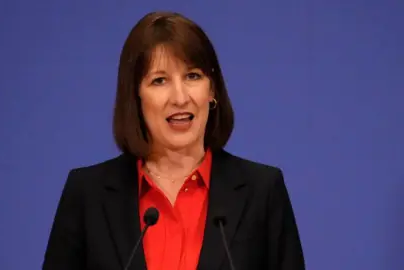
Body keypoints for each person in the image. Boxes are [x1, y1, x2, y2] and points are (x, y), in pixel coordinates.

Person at [42, 11, 305, 270]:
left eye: (193, 76)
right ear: (136, 97)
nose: (180, 98)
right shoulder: (87, 195)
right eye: (160, 81)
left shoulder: (262, 191)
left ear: (211, 89)